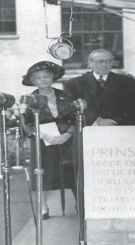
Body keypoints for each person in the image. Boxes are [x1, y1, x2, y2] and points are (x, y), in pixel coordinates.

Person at [20, 61, 75, 220]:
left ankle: (79, 203)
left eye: (46, 76)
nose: (43, 80)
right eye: (39, 78)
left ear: (52, 78)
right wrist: (44, 135)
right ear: (33, 80)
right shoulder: (28, 99)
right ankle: (43, 207)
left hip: (66, 140)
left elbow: (75, 118)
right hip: (42, 141)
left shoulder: (65, 96)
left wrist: (68, 135)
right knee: (43, 173)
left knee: (71, 171)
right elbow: (25, 123)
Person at [64, 49, 135, 126]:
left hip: (117, 129)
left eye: (108, 61)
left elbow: (132, 107)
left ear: (113, 62)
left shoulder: (128, 82)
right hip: (88, 129)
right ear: (90, 62)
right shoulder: (74, 83)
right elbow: (70, 108)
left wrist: (113, 121)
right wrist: (94, 121)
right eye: (100, 61)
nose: (104, 64)